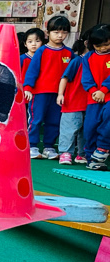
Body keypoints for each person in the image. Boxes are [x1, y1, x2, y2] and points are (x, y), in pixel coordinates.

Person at [23, 15, 72, 159]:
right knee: (36, 119)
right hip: (40, 92)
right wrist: (28, 88)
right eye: (56, 32)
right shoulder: (41, 51)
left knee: (54, 120)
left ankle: (49, 147)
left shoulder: (69, 53)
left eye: (64, 32)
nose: (60, 35)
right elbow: (32, 70)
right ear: (48, 32)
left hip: (59, 94)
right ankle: (31, 145)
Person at [57, 35, 90, 164]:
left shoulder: (96, 60)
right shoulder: (77, 61)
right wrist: (60, 94)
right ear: (87, 43)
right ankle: (65, 152)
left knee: (86, 130)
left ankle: (82, 154)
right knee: (69, 128)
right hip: (73, 101)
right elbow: (64, 77)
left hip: (90, 103)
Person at [81, 25, 110, 169]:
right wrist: (94, 91)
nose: (103, 48)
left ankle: (102, 149)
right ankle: (91, 158)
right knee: (90, 127)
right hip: (93, 97)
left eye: (107, 44)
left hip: (108, 96)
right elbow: (86, 77)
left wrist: (103, 90)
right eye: (99, 46)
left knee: (108, 121)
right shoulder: (88, 57)